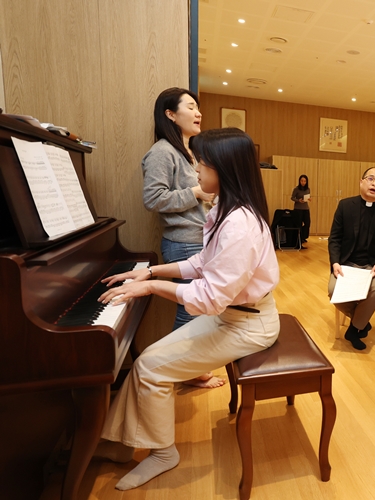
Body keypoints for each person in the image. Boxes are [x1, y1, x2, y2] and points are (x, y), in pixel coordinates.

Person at [94, 128, 280, 490]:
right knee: (149, 359)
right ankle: (124, 444)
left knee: (149, 367)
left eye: (202, 164)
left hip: (249, 325)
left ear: (224, 170)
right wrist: (149, 271)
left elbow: (209, 298)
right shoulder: (224, 208)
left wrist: (148, 287)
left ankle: (164, 453)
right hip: (231, 316)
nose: (196, 171)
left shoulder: (240, 225)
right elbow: (200, 263)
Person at [142, 87, 222, 389]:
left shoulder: (189, 151)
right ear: (170, 114)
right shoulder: (162, 151)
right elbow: (153, 199)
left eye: (198, 107)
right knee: (190, 309)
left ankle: (185, 368)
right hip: (183, 241)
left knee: (197, 308)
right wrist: (196, 193)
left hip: (198, 239)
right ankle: (175, 370)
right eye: (190, 107)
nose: (198, 112)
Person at [328, 167, 375, 350]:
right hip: (347, 264)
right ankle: (362, 322)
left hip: (373, 266)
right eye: (370, 179)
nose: (374, 183)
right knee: (333, 290)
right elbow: (334, 238)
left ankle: (354, 328)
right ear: (361, 182)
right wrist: (335, 262)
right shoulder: (345, 206)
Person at [291, 174, 311, 248]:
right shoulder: (296, 189)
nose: (303, 182)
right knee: (298, 225)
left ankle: (303, 237)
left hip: (306, 208)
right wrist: (298, 200)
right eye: (302, 181)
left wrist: (309, 199)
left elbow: (308, 197)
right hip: (298, 209)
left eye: (304, 181)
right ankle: (298, 241)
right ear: (299, 181)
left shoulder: (308, 189)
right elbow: (292, 197)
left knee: (307, 223)